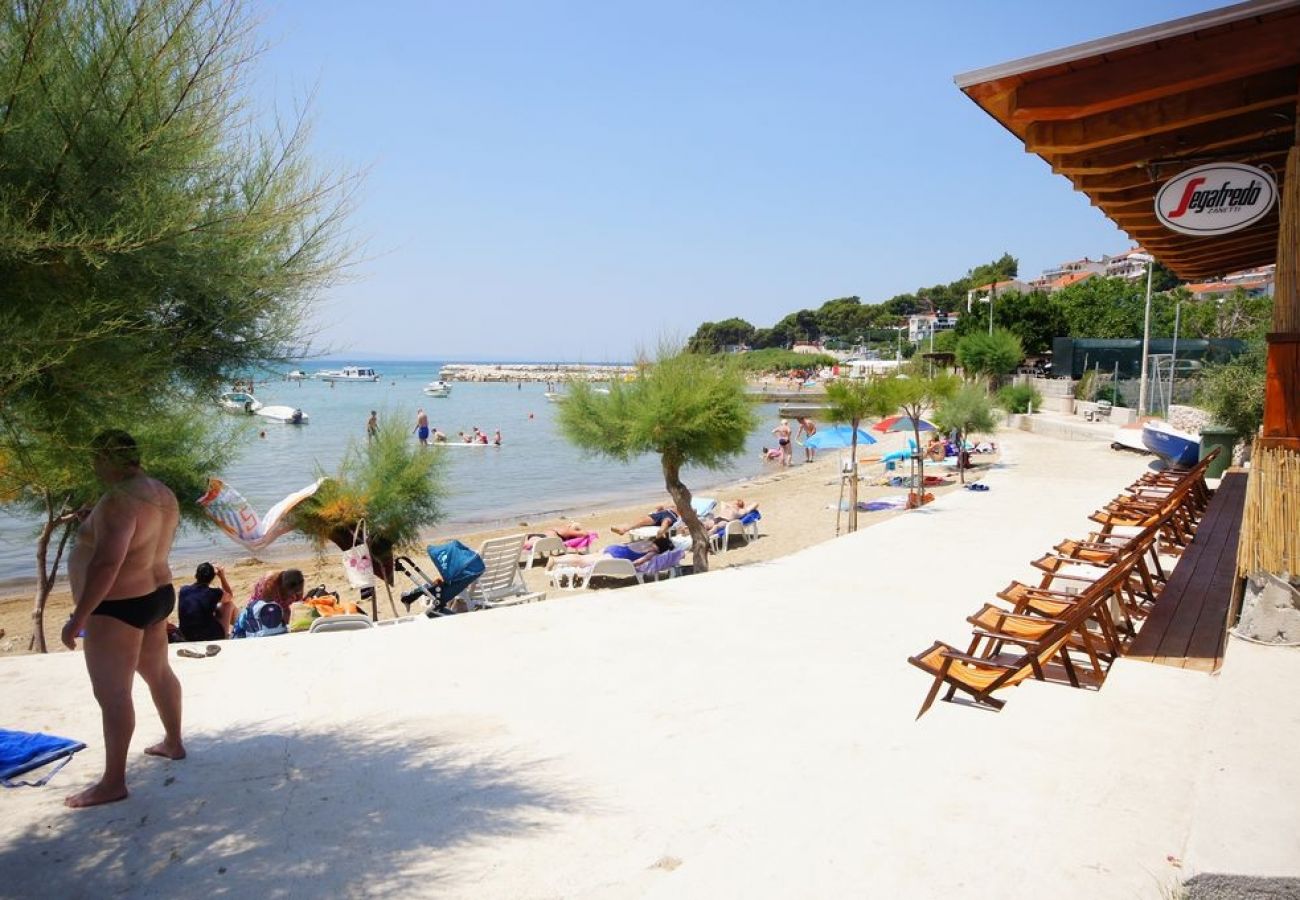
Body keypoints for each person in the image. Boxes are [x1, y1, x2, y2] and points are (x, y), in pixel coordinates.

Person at [61, 430, 183, 809]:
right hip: (158, 595)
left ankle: (113, 782)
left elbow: (108, 563)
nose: (93, 466)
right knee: (158, 671)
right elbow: (137, 540)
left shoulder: (119, 499)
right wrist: (93, 522)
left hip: (118, 607)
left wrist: (77, 617)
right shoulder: (161, 491)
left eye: (96, 458)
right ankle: (173, 743)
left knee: (113, 694)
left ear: (109, 458)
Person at [177, 562, 234, 642]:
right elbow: (230, 596)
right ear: (212, 578)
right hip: (208, 636)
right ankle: (227, 633)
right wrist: (222, 577)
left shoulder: (183, 590)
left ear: (196, 576)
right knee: (229, 604)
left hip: (186, 635)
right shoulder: (213, 593)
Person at [611, 505, 679, 537]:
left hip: (673, 516)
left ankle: (661, 531)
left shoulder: (687, 506)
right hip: (662, 513)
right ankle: (623, 530)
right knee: (641, 521)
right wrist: (661, 508)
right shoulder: (677, 503)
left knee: (667, 521)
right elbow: (667, 507)